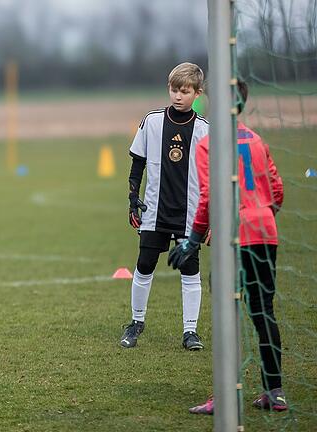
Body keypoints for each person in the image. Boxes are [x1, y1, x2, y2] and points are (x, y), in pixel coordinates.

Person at [168, 81, 287, 414]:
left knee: (225, 313)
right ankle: (274, 392)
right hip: (265, 230)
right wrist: (260, 213)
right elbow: (277, 190)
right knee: (263, 311)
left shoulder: (209, 145)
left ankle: (223, 396)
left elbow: (208, 197)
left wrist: (193, 238)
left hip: (233, 235)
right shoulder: (258, 140)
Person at [119, 62, 210, 350]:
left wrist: (211, 219)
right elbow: (138, 164)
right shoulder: (153, 121)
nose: (178, 96)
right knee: (144, 265)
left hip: (189, 214)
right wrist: (133, 199)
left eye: (185, 91)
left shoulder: (205, 130)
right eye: (174, 89)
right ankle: (136, 322)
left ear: (197, 93)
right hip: (154, 211)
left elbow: (213, 177)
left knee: (190, 270)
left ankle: (190, 331)